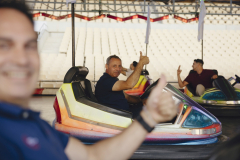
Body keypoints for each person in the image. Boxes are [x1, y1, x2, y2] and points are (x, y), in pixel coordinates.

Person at [0, 1, 177, 160]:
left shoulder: (38, 127)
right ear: (106, 67)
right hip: (120, 117)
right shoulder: (106, 81)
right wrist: (140, 65)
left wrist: (150, 117)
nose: (22, 59)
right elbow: (130, 84)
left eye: (30, 46)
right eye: (4, 45)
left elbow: (93, 156)